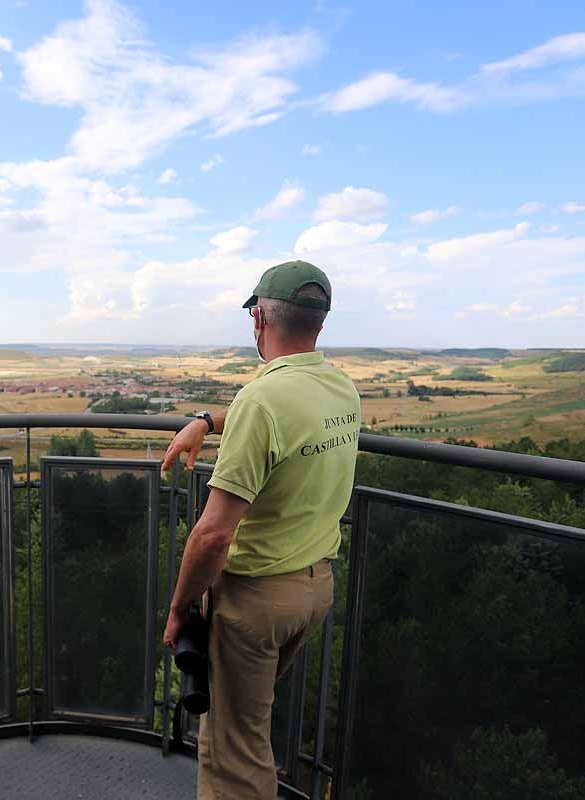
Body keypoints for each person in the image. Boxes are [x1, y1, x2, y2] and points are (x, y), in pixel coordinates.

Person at [161, 260, 361, 799]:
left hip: (256, 601)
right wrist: (207, 421)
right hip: (314, 588)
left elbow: (213, 536)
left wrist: (181, 607)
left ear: (258, 319)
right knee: (246, 722)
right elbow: (278, 420)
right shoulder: (341, 389)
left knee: (234, 754)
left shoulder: (262, 400)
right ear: (319, 324)